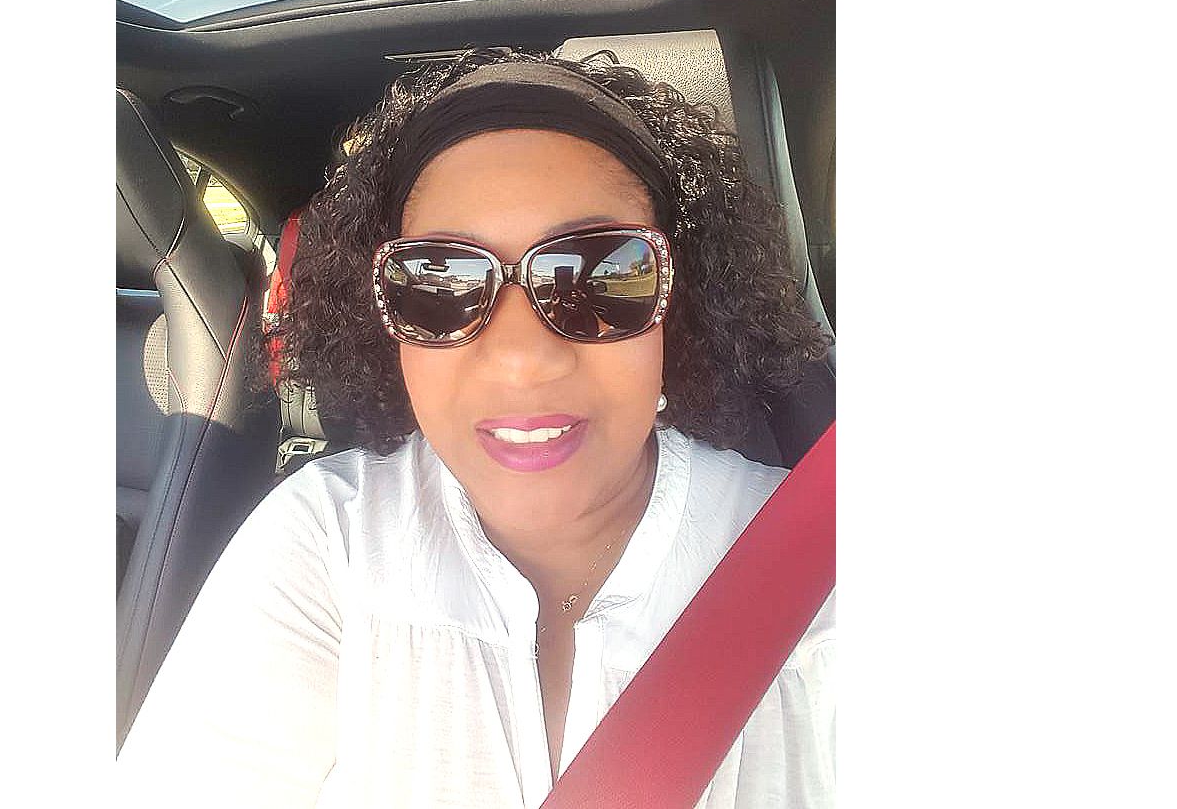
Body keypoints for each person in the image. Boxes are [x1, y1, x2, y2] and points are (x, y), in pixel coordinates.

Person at [118, 48, 834, 808]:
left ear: (674, 302)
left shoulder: (825, 565)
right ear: (386, 324)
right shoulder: (326, 541)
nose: (522, 360)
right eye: (440, 286)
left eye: (599, 275)